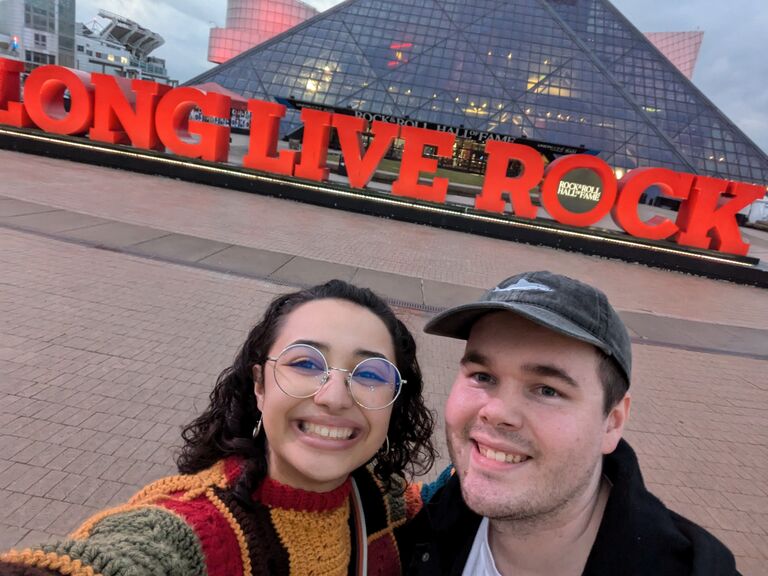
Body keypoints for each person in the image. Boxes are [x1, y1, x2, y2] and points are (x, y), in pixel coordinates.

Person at [1, 280, 436, 576]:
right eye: (306, 363)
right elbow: (130, 555)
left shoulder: (385, 504)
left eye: (371, 374)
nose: (335, 396)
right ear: (260, 386)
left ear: (394, 403)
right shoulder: (202, 528)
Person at [398, 271, 739, 575]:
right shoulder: (424, 523)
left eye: (547, 390)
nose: (497, 411)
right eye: (483, 376)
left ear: (612, 423)